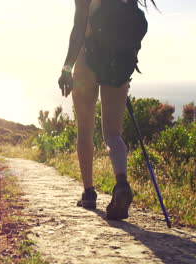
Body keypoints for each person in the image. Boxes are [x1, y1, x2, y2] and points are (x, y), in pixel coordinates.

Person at [58, 0, 156, 220]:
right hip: (118, 65)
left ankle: (89, 192)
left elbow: (78, 28)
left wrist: (67, 67)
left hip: (87, 61)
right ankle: (121, 183)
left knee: (85, 130)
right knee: (113, 134)